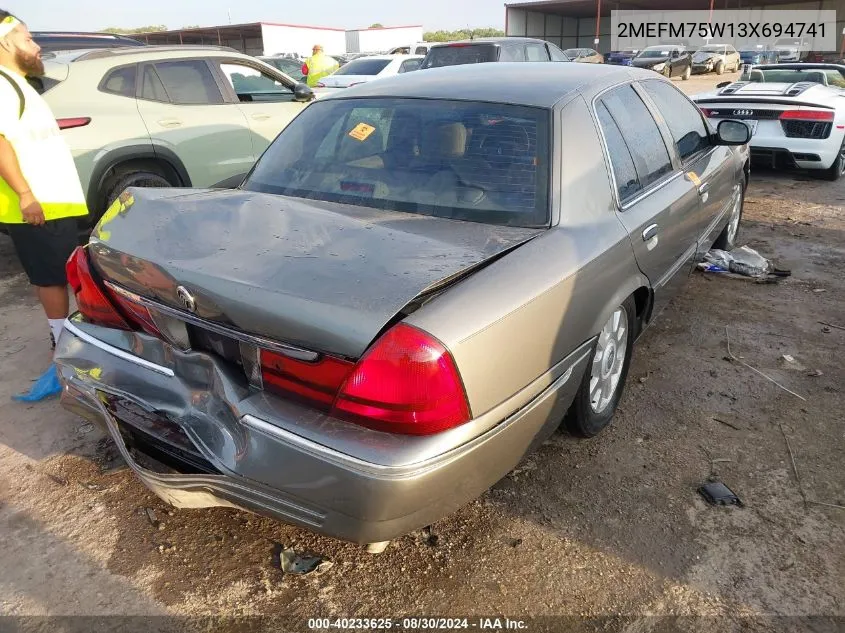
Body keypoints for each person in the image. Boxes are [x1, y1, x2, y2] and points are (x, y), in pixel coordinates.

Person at [0, 10, 88, 349]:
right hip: (38, 204)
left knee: (57, 273)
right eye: (27, 37)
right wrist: (25, 194)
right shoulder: (4, 85)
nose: (36, 46)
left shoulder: (18, 83)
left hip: (52, 202)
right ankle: (64, 342)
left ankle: (67, 338)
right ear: (6, 41)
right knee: (51, 277)